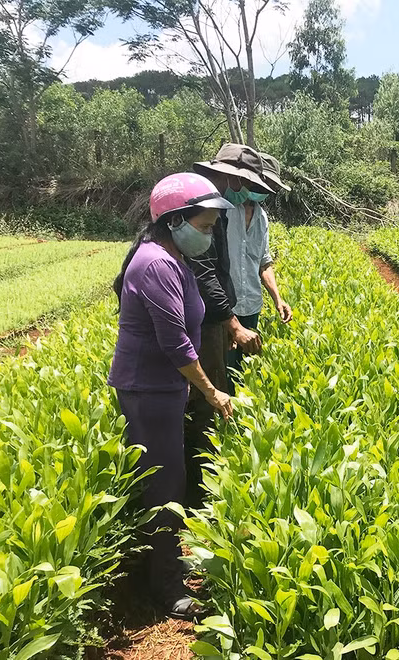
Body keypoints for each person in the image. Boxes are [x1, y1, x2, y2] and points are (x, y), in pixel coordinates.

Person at [108, 172, 234, 620]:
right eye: (204, 225)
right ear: (175, 220)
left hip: (163, 389)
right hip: (149, 390)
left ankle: (167, 566)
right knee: (163, 487)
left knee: (169, 479)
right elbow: (175, 343)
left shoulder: (172, 257)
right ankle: (165, 586)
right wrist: (212, 391)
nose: (209, 234)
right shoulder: (156, 264)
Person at [184, 143, 275, 508]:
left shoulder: (219, 204)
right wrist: (232, 324)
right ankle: (200, 488)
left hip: (217, 314)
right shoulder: (205, 206)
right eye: (244, 182)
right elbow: (205, 272)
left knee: (218, 388)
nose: (245, 190)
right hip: (206, 317)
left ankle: (208, 470)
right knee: (207, 398)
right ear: (231, 177)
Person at [224, 151, 293, 393]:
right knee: (224, 372)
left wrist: (278, 299)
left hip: (251, 306)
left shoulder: (262, 217)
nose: (267, 190)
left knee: (245, 373)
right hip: (225, 309)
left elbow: (263, 262)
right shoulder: (224, 210)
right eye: (266, 184)